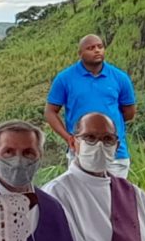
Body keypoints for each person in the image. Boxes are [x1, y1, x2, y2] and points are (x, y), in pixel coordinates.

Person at [43, 112, 145, 241]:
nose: (99, 145)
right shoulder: (57, 194)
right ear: (73, 143)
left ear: (116, 146)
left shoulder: (134, 194)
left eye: (108, 139)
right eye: (90, 138)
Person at [0, 120, 81, 241]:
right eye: (8, 152)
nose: (18, 161)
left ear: (40, 156)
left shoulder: (52, 207)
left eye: (28, 153)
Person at [44, 34, 137, 177]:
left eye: (100, 46)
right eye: (91, 48)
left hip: (115, 154)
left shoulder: (120, 78)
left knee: (114, 191)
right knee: (80, 191)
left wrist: (103, 126)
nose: (97, 50)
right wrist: (68, 138)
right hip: (81, 151)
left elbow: (129, 112)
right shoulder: (65, 79)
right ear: (80, 53)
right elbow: (50, 112)